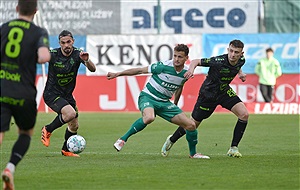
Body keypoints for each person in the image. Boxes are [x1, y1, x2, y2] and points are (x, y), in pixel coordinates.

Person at [107, 44, 209, 159]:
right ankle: (123, 139)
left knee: (191, 125)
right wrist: (117, 74)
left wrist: (175, 103)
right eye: (174, 56)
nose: (176, 59)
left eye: (180, 57)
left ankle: (193, 154)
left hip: (164, 103)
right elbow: (140, 70)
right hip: (148, 97)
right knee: (149, 117)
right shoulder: (162, 66)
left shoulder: (185, 73)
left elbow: (180, 87)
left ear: (186, 58)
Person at [161, 39, 249, 158]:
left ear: (241, 54)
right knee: (192, 125)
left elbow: (237, 65)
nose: (233, 55)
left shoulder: (241, 60)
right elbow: (195, 61)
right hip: (208, 95)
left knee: (244, 114)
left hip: (224, 92)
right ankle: (171, 140)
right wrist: (191, 70)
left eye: (236, 52)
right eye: (231, 51)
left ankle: (233, 148)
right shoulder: (218, 61)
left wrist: (240, 73)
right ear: (228, 50)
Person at [0, 0, 51, 189]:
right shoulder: (38, 32)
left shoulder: (4, 27)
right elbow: (44, 57)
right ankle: (9, 169)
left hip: (3, 88)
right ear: (35, 11)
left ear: (17, 9)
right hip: (24, 93)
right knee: (26, 133)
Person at [40, 30, 96, 157]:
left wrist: (87, 61)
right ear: (59, 43)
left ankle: (66, 150)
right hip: (51, 94)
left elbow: (93, 69)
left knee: (74, 125)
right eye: (63, 42)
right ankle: (48, 129)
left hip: (67, 95)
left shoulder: (78, 54)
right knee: (70, 113)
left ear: (73, 42)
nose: (66, 45)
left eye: (68, 42)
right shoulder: (53, 54)